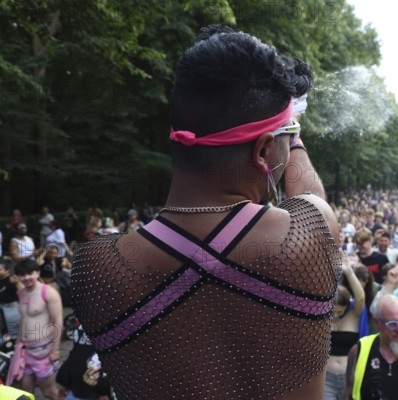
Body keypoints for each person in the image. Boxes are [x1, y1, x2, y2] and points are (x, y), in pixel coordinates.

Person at [72, 25, 340, 400]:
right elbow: (311, 197)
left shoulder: (97, 268)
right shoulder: (307, 237)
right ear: (263, 152)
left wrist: (282, 129)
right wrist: (293, 136)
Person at [6, 259, 63, 399]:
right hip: (25, 351)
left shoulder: (48, 292)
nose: (26, 278)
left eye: (30, 273)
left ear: (37, 273)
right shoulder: (21, 293)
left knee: (49, 392)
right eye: (22, 275)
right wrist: (18, 345)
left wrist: (55, 350)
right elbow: (24, 320)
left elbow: (58, 321)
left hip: (43, 350)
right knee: (25, 392)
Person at [325, 254, 365, 400]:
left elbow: (361, 297)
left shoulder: (354, 314)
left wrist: (349, 271)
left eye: (339, 312)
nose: (335, 316)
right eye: (332, 311)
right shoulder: (323, 317)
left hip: (350, 376)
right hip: (326, 377)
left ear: (348, 307)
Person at [0, 259, 22, 339]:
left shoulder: (12, 279)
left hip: (12, 308)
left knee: (14, 330)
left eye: (0, 269)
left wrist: (17, 283)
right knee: (4, 329)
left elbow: (22, 292)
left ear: (7, 270)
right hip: (2, 309)